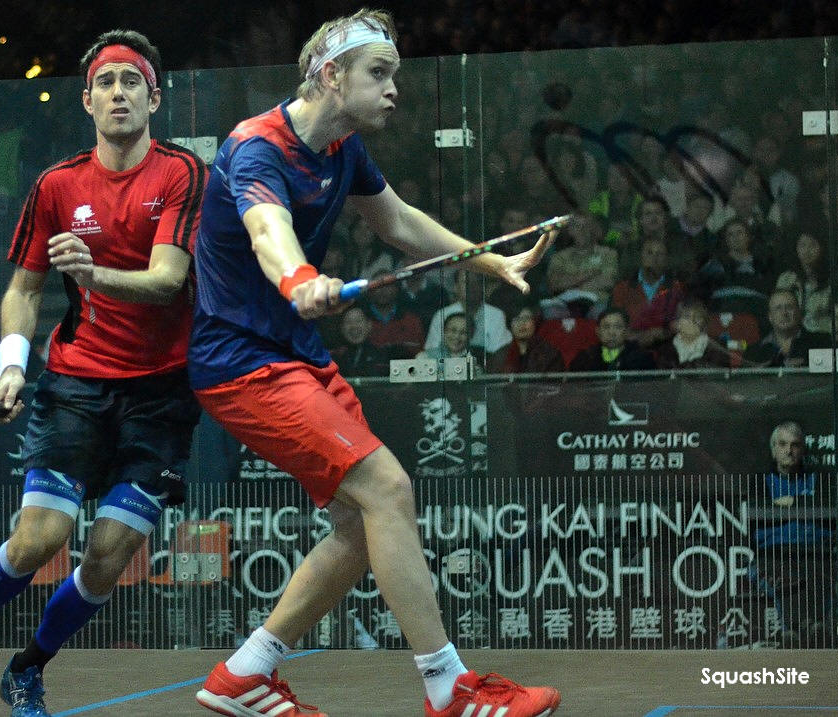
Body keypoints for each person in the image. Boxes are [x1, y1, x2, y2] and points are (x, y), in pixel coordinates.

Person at [188, 9, 560, 717]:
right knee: (387, 488)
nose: (394, 90)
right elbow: (267, 229)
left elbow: (396, 220)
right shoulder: (255, 147)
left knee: (361, 526)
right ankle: (449, 687)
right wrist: (299, 278)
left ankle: (243, 674)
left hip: (297, 357)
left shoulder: (343, 147)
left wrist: (489, 262)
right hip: (240, 364)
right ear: (332, 75)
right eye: (379, 73)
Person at [0, 29, 205, 717]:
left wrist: (92, 274)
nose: (119, 93)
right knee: (40, 537)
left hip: (160, 396)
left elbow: (167, 280)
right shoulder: (56, 185)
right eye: (106, 82)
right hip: (76, 385)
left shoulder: (182, 174)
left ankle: (28, 668)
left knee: (105, 558)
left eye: (132, 82)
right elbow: (23, 288)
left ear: (154, 98)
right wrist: (12, 367)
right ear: (87, 101)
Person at [748, 421, 835, 647]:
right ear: (773, 450)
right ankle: (806, 627)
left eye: (795, 445)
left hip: (815, 554)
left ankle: (794, 632)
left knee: (816, 572)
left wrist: (791, 503)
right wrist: (805, 508)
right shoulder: (759, 482)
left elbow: (827, 510)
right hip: (772, 556)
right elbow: (758, 515)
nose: (789, 450)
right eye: (783, 444)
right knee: (787, 577)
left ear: (803, 449)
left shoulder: (819, 479)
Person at [423, 268, 513, 362]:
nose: (471, 286)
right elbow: (432, 351)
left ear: (482, 287)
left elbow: (499, 351)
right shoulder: (442, 314)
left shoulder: (496, 315)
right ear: (455, 287)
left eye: (475, 282)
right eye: (466, 282)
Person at [610, 237, 685, 348]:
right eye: (649, 253)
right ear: (641, 256)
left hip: (666, 345)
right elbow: (615, 324)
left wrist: (663, 333)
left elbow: (681, 323)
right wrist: (640, 336)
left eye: (660, 254)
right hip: (628, 345)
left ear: (666, 259)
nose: (654, 258)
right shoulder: (622, 288)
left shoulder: (676, 288)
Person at [742, 289, 826, 368]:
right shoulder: (752, 353)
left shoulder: (821, 342)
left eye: (789, 307)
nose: (784, 313)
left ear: (799, 312)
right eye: (778, 308)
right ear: (770, 317)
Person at [569, 307, 656, 372]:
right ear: (598, 331)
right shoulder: (586, 358)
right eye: (606, 327)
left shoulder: (642, 358)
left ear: (627, 331)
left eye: (618, 327)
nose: (611, 332)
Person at [652, 299, 731, 369]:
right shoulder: (665, 350)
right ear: (677, 323)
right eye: (687, 317)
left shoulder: (718, 347)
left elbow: (715, 373)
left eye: (698, 317)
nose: (693, 321)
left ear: (704, 322)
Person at [498, 305, 565, 373]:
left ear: (535, 323)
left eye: (526, 318)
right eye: (516, 319)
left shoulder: (550, 354)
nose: (521, 323)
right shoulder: (501, 354)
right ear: (510, 325)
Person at [330, 305, 392, 376]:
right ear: (342, 328)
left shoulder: (381, 355)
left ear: (369, 325)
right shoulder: (333, 358)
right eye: (348, 322)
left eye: (358, 321)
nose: (354, 326)